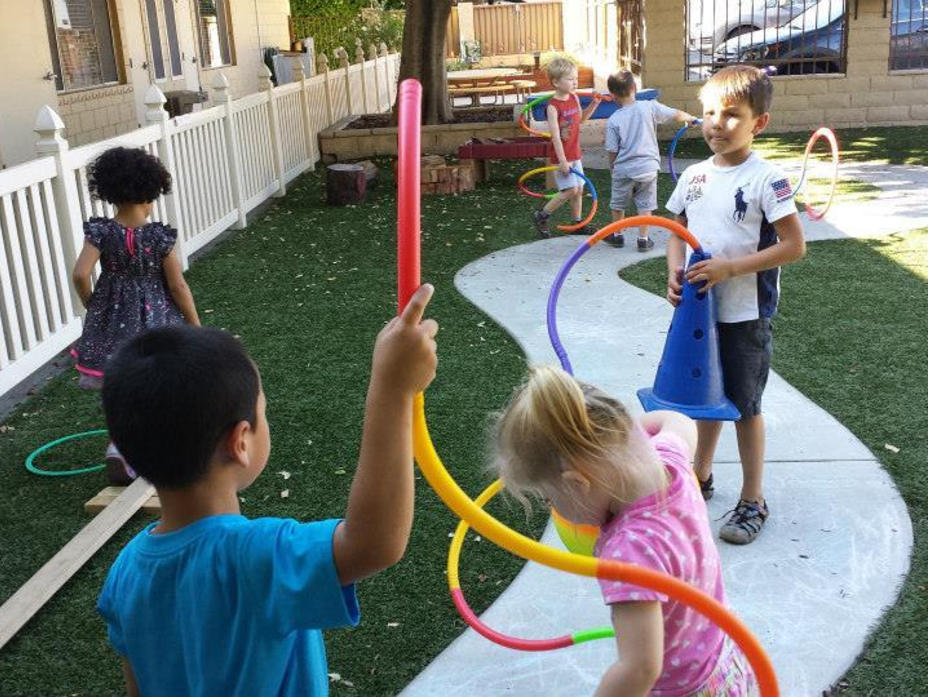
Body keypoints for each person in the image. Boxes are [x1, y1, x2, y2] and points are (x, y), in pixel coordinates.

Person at [96, 284, 439, 697]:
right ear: (240, 442)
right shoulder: (258, 557)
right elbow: (374, 542)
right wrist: (394, 389)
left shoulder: (126, 571)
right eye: (264, 410)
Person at [493, 365, 757, 696]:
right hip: (723, 661)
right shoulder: (670, 462)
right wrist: (624, 441)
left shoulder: (629, 554)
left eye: (549, 498)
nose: (553, 508)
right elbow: (678, 422)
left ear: (577, 483)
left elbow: (640, 668)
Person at [664, 65, 805, 545]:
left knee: (745, 405)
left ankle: (752, 499)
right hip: (698, 312)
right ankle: (700, 477)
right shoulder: (695, 175)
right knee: (703, 400)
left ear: (757, 123)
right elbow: (677, 230)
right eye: (708, 113)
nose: (715, 124)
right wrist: (674, 270)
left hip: (746, 314)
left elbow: (793, 246)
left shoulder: (768, 178)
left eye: (731, 115)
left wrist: (730, 269)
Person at [71, 146, 200, 483]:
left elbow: (80, 274)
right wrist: (195, 325)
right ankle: (158, 446)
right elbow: (177, 287)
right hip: (156, 322)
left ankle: (119, 446)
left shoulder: (101, 232)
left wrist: (93, 306)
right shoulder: (159, 237)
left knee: (120, 387)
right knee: (157, 382)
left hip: (112, 321)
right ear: (150, 193)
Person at [604, 69, 698, 251]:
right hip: (647, 168)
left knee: (618, 203)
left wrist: (612, 168)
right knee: (645, 205)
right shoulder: (649, 106)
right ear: (635, 87)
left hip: (623, 169)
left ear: (612, 95)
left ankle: (617, 235)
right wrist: (690, 118)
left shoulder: (613, 120)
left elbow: (612, 150)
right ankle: (643, 239)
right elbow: (674, 113)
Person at [532, 57, 598, 238]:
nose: (575, 82)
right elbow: (555, 137)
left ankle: (577, 223)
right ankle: (541, 215)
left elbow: (581, 120)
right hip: (562, 156)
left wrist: (593, 105)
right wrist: (562, 160)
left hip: (575, 153)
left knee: (579, 190)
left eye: (575, 78)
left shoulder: (574, 98)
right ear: (556, 82)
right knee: (570, 190)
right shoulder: (552, 107)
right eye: (570, 79)